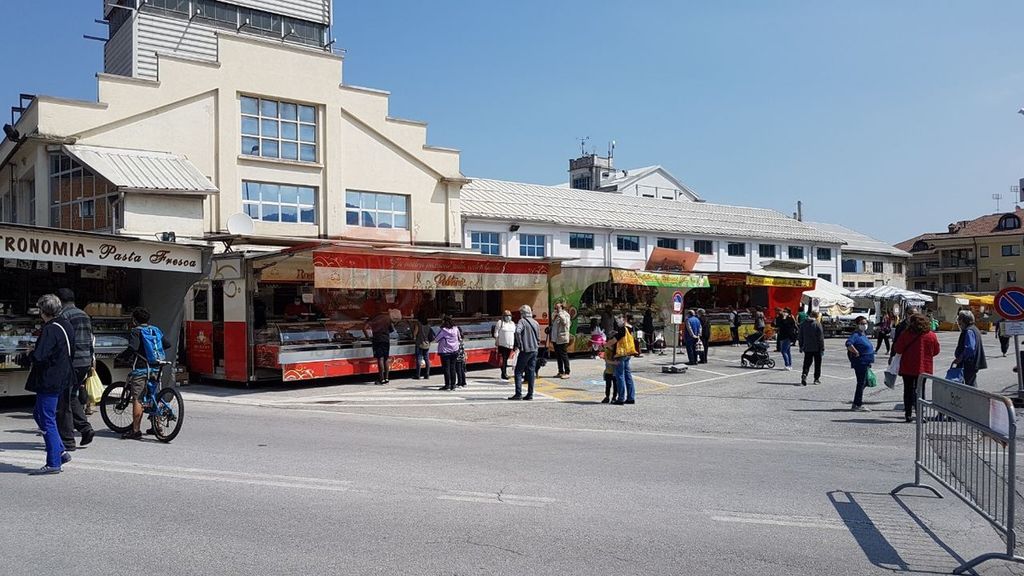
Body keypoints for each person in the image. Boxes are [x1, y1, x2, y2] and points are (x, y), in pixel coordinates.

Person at [17, 294, 76, 474]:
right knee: (39, 413)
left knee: (46, 418)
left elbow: (40, 356)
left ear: (43, 311)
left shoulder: (50, 329)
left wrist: (29, 353)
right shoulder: (65, 324)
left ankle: (53, 462)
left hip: (50, 378)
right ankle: (61, 451)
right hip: (63, 375)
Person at [117, 307, 171, 440]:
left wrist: (121, 356)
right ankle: (156, 427)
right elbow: (167, 344)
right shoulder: (155, 330)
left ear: (134, 320)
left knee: (138, 399)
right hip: (156, 367)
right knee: (155, 396)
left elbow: (133, 348)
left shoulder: (136, 331)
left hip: (141, 369)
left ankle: (135, 430)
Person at [55, 288, 95, 450]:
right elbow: (90, 339)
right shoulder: (84, 315)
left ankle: (67, 440)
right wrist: (91, 361)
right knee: (72, 396)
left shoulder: (64, 316)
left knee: (63, 401)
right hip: (84, 361)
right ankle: (85, 429)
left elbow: (62, 341)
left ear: (59, 301)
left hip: (71, 362)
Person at [892, 313, 941, 423]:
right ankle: (920, 414)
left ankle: (908, 414)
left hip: (907, 367)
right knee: (921, 390)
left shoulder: (906, 334)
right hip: (924, 367)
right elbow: (936, 351)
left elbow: (898, 349)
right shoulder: (931, 335)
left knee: (908, 391)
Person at [509, 305, 541, 401]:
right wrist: (537, 343)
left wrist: (520, 344)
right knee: (531, 371)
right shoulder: (535, 322)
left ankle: (518, 393)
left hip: (525, 350)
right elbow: (539, 336)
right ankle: (530, 394)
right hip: (534, 349)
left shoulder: (522, 321)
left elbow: (517, 332)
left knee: (518, 371)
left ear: (523, 313)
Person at [846, 316, 876, 411]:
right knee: (861, 382)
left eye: (865, 323)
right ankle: (857, 404)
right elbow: (848, 344)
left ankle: (857, 400)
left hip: (866, 362)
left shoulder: (863, 334)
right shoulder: (856, 335)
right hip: (860, 363)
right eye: (862, 323)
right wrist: (855, 352)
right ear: (858, 324)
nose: (865, 325)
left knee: (864, 382)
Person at [607, 315, 637, 405]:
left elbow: (615, 340)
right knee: (628, 375)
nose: (618, 321)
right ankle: (631, 397)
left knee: (620, 376)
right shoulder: (630, 328)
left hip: (621, 354)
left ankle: (621, 398)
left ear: (625, 319)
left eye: (619, 319)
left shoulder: (622, 329)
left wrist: (605, 345)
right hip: (628, 353)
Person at [953, 310, 987, 387]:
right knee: (970, 382)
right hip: (972, 362)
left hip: (969, 363)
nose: (958, 323)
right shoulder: (974, 329)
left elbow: (970, 348)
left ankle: (973, 395)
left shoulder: (969, 331)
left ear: (963, 320)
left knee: (970, 384)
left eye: (959, 320)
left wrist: (960, 358)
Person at [435, 316, 462, 391]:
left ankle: (447, 385)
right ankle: (453, 385)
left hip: (445, 351)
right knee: (453, 368)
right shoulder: (456, 328)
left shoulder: (443, 330)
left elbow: (436, 339)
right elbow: (459, 338)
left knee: (446, 368)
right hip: (454, 350)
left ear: (444, 322)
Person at [798, 311, 825, 386]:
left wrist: (801, 346)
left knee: (806, 363)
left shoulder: (803, 324)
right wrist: (822, 348)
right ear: (816, 316)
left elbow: (800, 336)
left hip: (807, 347)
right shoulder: (817, 324)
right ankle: (816, 379)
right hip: (817, 347)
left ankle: (804, 374)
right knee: (817, 364)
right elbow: (820, 338)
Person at [493, 310, 516, 380]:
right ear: (503, 316)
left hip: (510, 345)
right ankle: (504, 373)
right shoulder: (500, 322)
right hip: (502, 345)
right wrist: (496, 341)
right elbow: (496, 333)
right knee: (504, 359)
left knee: (506, 359)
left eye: (509, 315)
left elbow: (514, 333)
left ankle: (504, 372)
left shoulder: (512, 323)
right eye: (506, 315)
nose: (508, 317)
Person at [551, 302, 572, 379]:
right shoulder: (556, 315)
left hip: (562, 338)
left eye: (557, 308)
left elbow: (565, 322)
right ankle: (560, 371)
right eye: (555, 308)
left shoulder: (565, 314)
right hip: (555, 338)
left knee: (564, 355)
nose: (556, 309)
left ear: (561, 308)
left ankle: (567, 372)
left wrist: (560, 312)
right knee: (558, 356)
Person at [412, 312, 434, 380]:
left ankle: (418, 375)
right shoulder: (428, 325)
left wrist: (414, 337)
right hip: (427, 344)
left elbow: (415, 333)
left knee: (419, 359)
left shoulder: (418, 324)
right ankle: (427, 374)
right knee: (427, 359)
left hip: (419, 344)